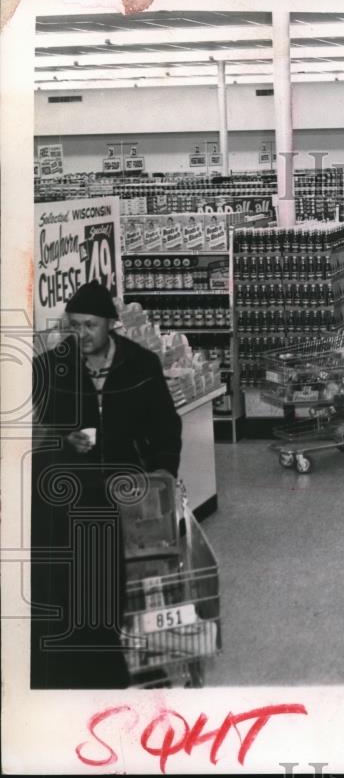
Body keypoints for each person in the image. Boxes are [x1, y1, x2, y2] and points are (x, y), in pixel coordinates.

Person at [31, 280, 183, 689]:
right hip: (72, 497)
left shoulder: (141, 364)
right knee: (77, 590)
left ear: (110, 324)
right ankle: (89, 674)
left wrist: (165, 472)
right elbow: (32, 434)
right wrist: (62, 440)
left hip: (127, 493)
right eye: (75, 326)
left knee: (129, 584)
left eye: (90, 326)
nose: (82, 335)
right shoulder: (49, 367)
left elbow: (166, 426)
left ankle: (139, 664)